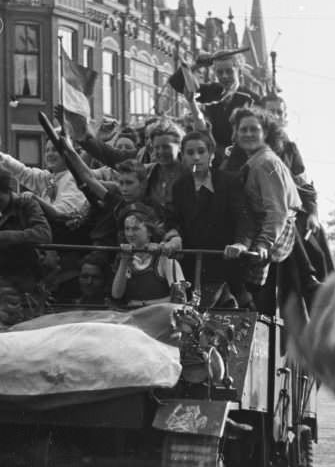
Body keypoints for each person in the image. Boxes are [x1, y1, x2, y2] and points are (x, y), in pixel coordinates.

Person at [161, 129, 254, 308]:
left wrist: (241, 244)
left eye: (201, 152)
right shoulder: (180, 186)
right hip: (192, 267)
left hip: (226, 264)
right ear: (183, 157)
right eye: (190, 153)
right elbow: (172, 219)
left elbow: (245, 219)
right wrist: (174, 237)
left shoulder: (229, 182)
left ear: (211, 155)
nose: (196, 157)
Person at [229, 107, 303, 314]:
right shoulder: (254, 160)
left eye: (254, 129)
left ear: (266, 133)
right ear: (235, 133)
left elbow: (277, 210)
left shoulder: (265, 163)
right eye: (243, 129)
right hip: (263, 231)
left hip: (272, 236)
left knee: (254, 299)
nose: (248, 134)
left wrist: (263, 243)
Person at [111, 206, 183, 307]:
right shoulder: (124, 257)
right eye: (127, 229)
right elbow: (116, 294)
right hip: (131, 318)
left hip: (159, 318)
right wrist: (124, 260)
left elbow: (180, 298)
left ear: (149, 231)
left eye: (135, 229)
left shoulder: (165, 258)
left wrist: (143, 304)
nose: (130, 234)